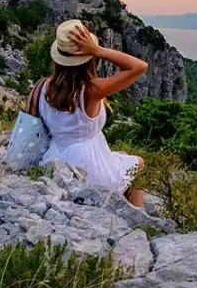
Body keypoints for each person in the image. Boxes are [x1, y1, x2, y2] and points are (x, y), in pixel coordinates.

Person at [35, 19, 150, 207]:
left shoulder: (43, 86)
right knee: (139, 162)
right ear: (88, 59)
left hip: (57, 158)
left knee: (118, 154)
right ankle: (137, 214)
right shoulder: (90, 91)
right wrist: (98, 51)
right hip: (88, 167)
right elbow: (139, 67)